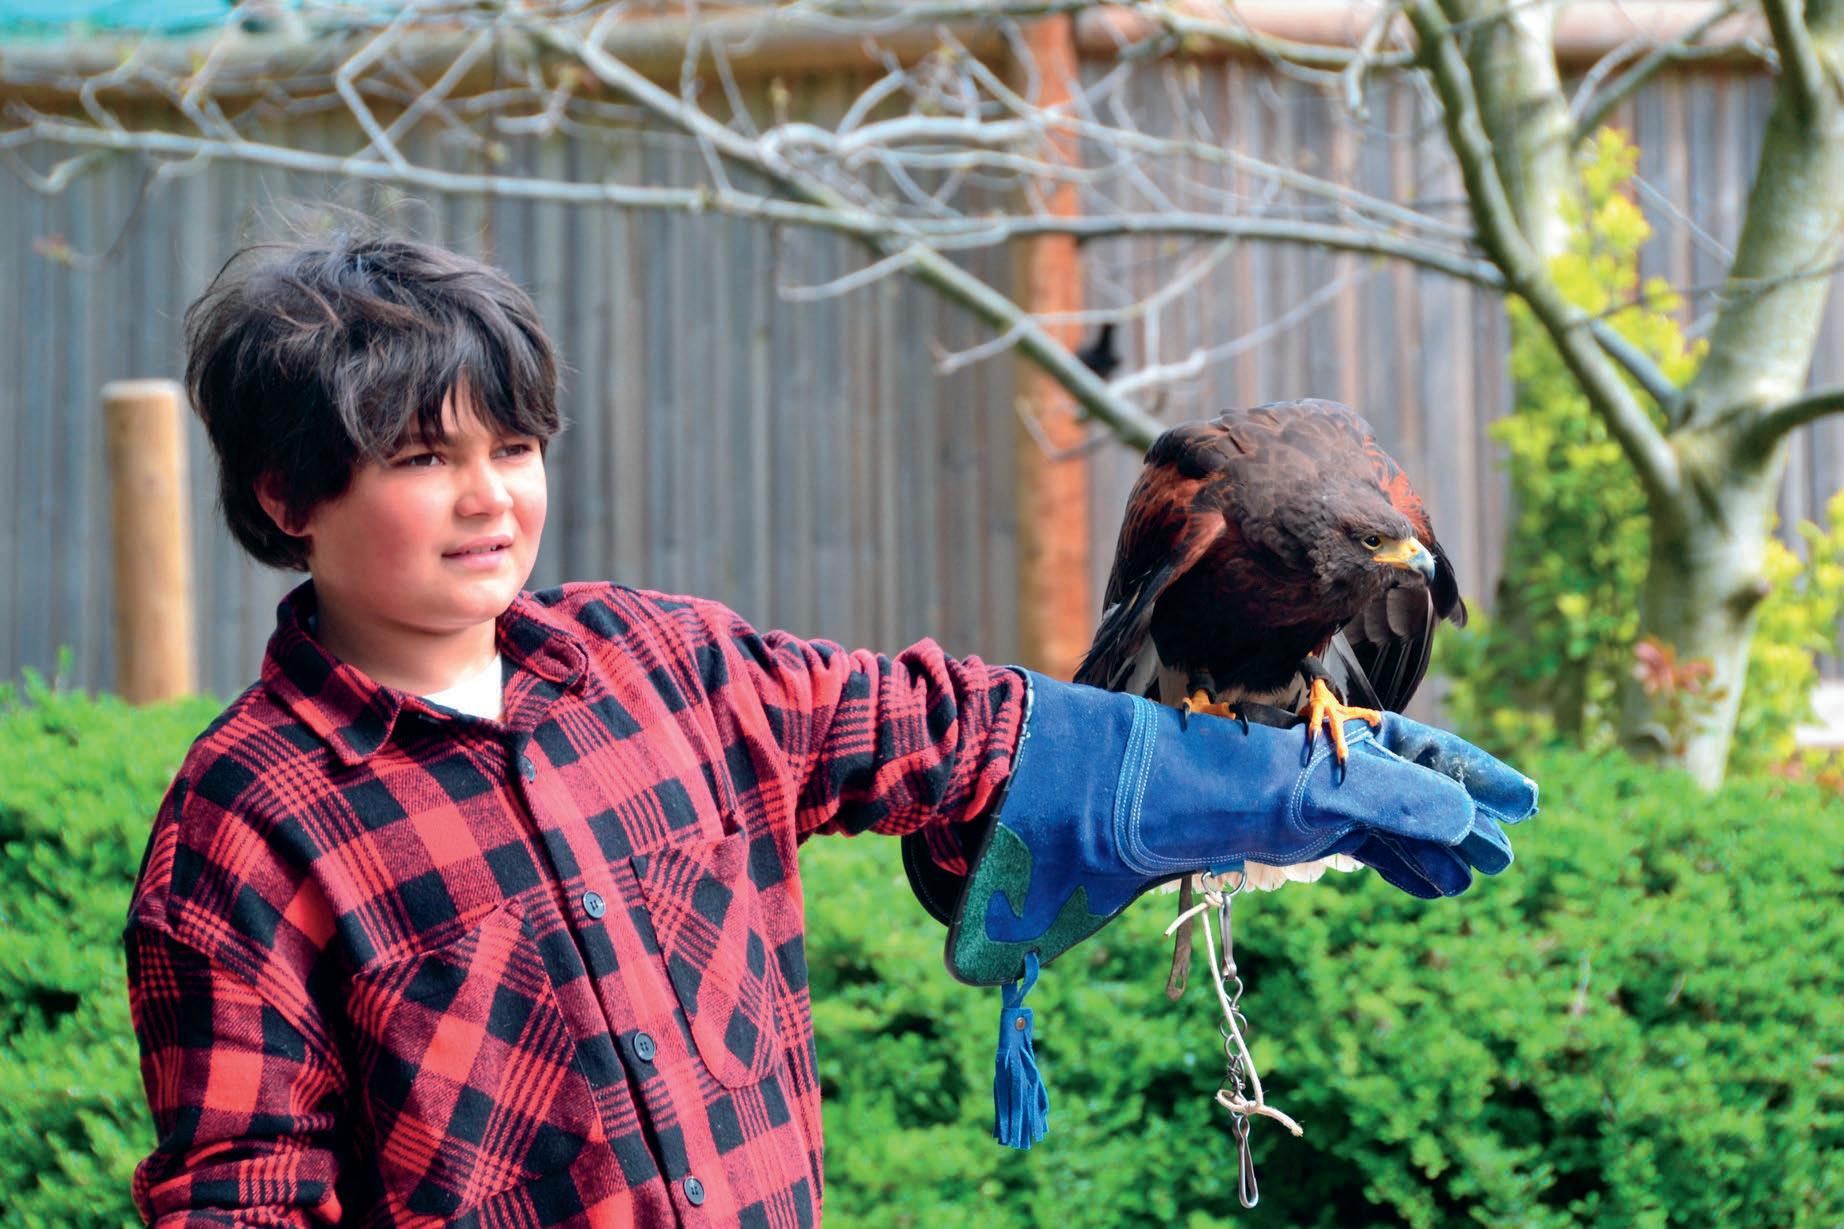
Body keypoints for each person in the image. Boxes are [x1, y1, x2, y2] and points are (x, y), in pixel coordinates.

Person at [125, 232, 1536, 1228]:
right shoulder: (245, 826)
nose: (489, 495)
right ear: (288, 496)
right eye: (423, 458)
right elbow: (243, 1191)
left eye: (513, 446)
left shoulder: (671, 667)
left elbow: (953, 729)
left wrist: (1264, 780)